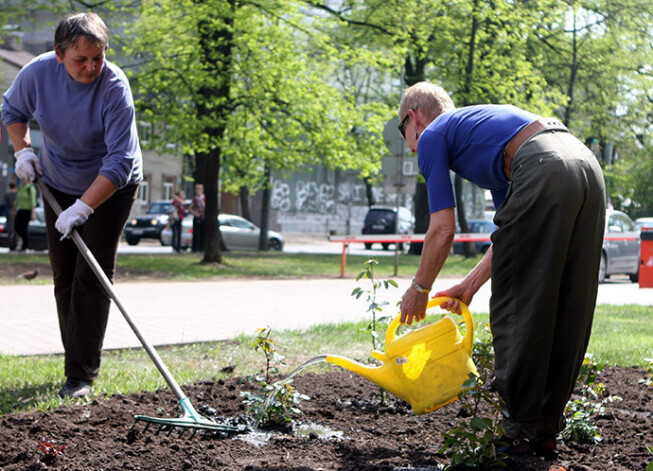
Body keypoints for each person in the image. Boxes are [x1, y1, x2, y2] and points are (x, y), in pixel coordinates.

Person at [397, 82, 605, 455]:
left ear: (414, 118)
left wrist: (420, 288)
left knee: (517, 303)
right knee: (567, 303)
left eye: (405, 134)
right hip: (585, 163)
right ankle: (543, 430)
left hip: (542, 164)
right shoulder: (483, 132)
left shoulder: (432, 136)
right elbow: (508, 232)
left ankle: (519, 433)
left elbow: (442, 229)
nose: (411, 146)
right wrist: (468, 286)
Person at [2, 12, 143, 398]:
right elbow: (12, 111)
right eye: (81, 59)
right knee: (64, 275)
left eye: (97, 58)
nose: (91, 67)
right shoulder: (37, 74)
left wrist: (83, 208)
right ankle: (74, 359)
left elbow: (120, 162)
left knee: (92, 275)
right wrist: (23, 152)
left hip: (110, 188)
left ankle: (81, 375)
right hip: (59, 182)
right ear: (59, 54)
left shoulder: (114, 85)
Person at [12, 178, 37, 251]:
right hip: (21, 210)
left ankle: (25, 245)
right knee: (17, 226)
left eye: (25, 179)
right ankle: (24, 241)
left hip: (28, 210)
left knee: (24, 228)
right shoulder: (20, 188)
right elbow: (17, 200)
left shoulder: (30, 188)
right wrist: (13, 210)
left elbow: (33, 201)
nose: (23, 180)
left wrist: (33, 213)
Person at [189, 183, 205, 252]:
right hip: (197, 217)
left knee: (202, 233)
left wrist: (201, 200)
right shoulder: (195, 199)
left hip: (203, 217)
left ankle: (202, 248)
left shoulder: (203, 198)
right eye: (196, 189)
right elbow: (190, 208)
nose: (197, 190)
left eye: (199, 189)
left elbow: (205, 206)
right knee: (196, 233)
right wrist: (195, 213)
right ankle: (195, 248)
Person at [2, 181, 18, 249]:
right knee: (16, 229)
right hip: (16, 212)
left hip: (9, 213)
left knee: (10, 228)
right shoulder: (17, 194)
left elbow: (4, 204)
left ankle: (11, 243)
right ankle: (15, 243)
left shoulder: (6, 195)